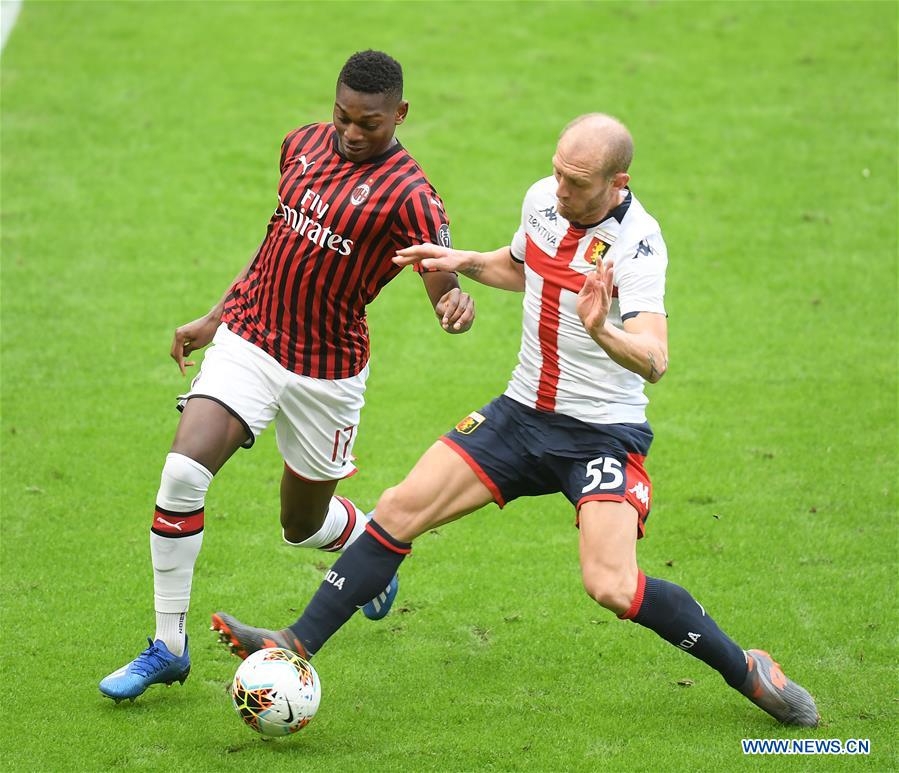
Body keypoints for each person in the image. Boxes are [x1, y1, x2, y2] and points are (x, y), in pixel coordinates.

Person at [211, 114, 819, 727]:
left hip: (600, 437)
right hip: (519, 415)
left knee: (611, 585)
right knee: (398, 507)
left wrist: (601, 328)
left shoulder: (639, 245)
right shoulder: (542, 201)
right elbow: (522, 265)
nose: (561, 190)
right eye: (558, 173)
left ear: (618, 183)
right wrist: (466, 261)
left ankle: (747, 669)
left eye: (577, 182)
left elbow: (655, 359)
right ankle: (296, 642)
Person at [99, 50, 475, 703]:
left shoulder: (412, 195)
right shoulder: (301, 145)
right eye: (343, 117)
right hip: (250, 338)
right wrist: (217, 315)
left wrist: (452, 304)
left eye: (369, 123)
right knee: (182, 473)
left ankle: (364, 543)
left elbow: (440, 273)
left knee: (300, 524)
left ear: (400, 115)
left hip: (326, 371)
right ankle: (168, 646)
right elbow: (277, 239)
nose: (351, 132)